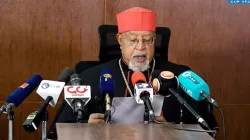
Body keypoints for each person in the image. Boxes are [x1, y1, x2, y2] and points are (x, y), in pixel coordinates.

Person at [48, 7, 218, 139]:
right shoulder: (88, 77)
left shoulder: (179, 77)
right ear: (120, 40)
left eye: (148, 40)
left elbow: (207, 130)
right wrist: (86, 127)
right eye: (133, 40)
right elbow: (58, 131)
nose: (140, 47)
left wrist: (172, 128)